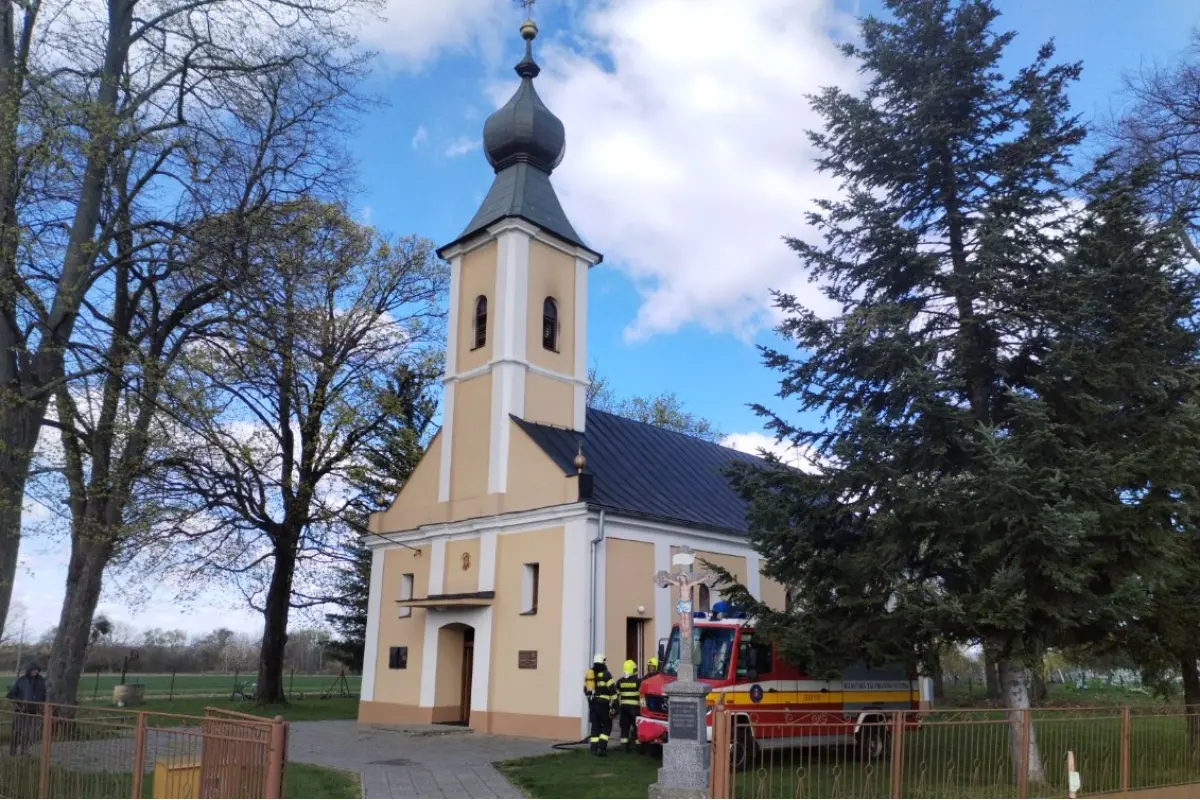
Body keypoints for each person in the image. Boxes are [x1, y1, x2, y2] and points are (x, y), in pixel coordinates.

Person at [7, 662, 46, 756]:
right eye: (33, 670)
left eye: (37, 670)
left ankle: (24, 751)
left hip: (34, 711)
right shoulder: (20, 680)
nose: (35, 672)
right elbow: (10, 695)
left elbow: (44, 695)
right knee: (17, 731)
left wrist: (43, 705)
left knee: (30, 733)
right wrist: (19, 702)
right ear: (29, 670)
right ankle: (13, 750)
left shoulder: (41, 681)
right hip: (21, 711)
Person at [583, 653, 616, 756]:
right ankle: (601, 748)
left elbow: (585, 689)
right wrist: (615, 705)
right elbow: (613, 691)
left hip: (593, 704)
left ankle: (593, 749)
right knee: (607, 725)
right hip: (603, 704)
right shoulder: (606, 674)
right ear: (602, 662)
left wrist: (590, 701)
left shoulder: (591, 673)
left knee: (595, 727)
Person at [616, 660, 642, 753]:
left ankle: (624, 748)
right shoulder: (638, 681)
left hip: (623, 709)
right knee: (637, 728)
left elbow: (616, 696)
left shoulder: (620, 682)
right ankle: (639, 749)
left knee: (624, 728)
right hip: (635, 709)